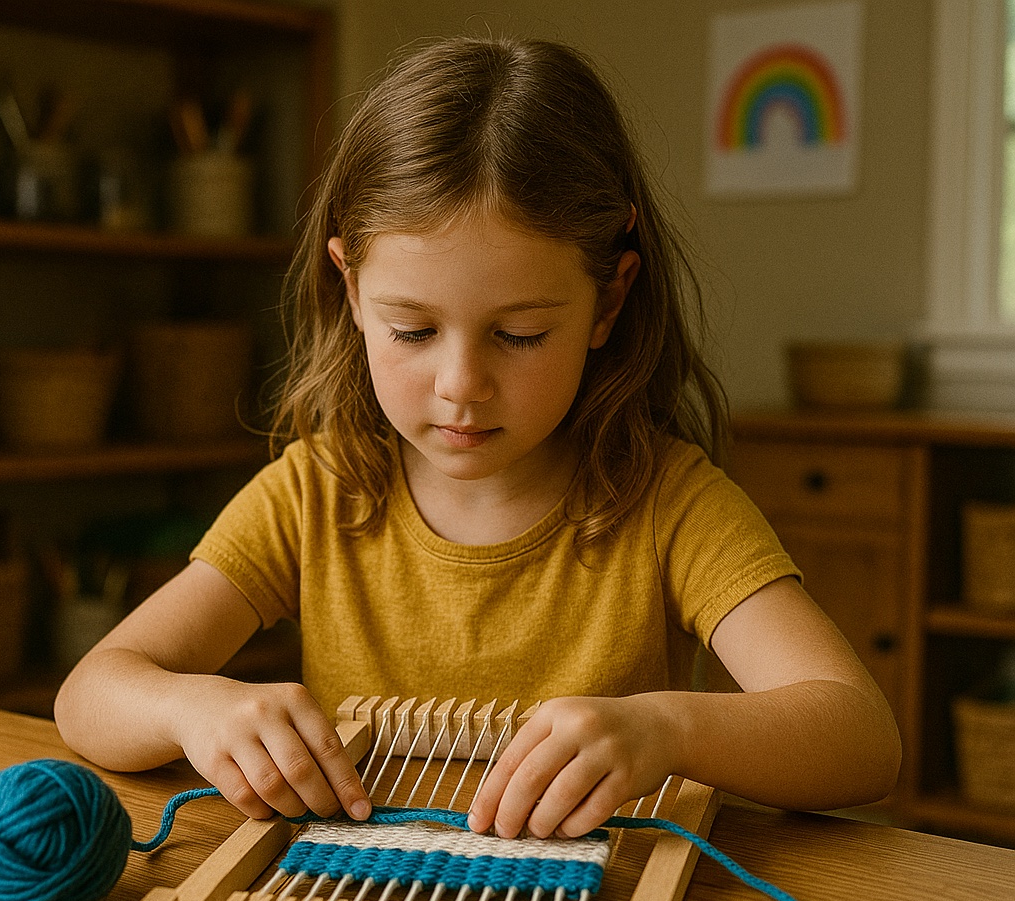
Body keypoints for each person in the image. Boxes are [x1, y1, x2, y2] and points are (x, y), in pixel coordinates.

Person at [54, 37, 901, 842]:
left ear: (609, 302)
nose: (462, 384)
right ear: (351, 290)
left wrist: (665, 729)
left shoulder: (670, 503)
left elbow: (860, 737)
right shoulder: (315, 493)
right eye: (413, 331)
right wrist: (193, 708)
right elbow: (91, 691)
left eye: (521, 335)